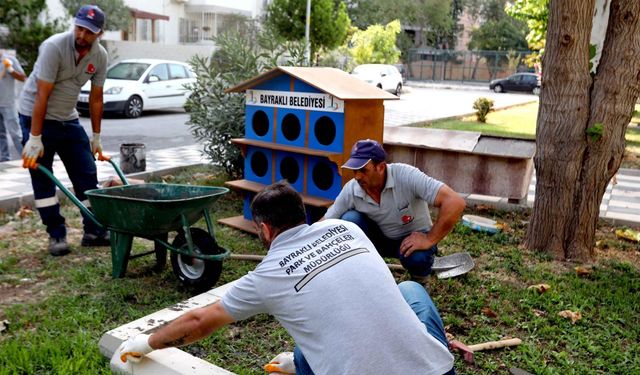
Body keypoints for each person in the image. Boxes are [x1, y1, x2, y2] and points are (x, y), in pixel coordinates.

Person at [118, 181, 456, 375]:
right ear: (302, 214)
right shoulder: (345, 227)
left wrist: (145, 343)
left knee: (314, 337)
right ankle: (300, 363)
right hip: (438, 371)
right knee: (410, 288)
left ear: (264, 229)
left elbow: (199, 321)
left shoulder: (267, 275)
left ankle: (302, 364)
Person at [19, 5, 110, 256]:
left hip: (68, 118)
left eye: (89, 31)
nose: (81, 35)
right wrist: (35, 137)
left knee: (86, 173)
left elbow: (96, 99)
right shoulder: (54, 46)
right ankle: (56, 235)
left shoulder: (99, 57)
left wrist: (96, 136)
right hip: (36, 115)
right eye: (79, 28)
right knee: (44, 177)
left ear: (99, 33)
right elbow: (42, 94)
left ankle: (94, 231)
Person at [323, 139, 466, 283]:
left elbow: (455, 202)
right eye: (355, 171)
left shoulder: (406, 176)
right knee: (349, 220)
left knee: (418, 258)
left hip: (412, 240)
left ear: (380, 167)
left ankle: (420, 281)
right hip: (381, 239)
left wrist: (429, 239)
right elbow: (326, 221)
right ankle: (362, 276)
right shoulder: (352, 189)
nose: (357, 176)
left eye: (363, 170)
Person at [0, 49, 26, 162]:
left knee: (16, 134)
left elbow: (22, 77)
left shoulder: (9, 59)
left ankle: (26, 158)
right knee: (0, 134)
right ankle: (5, 158)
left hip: (8, 103)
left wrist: (10, 69)